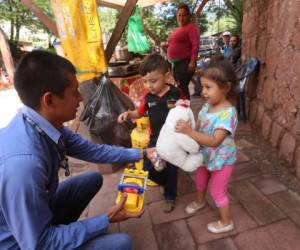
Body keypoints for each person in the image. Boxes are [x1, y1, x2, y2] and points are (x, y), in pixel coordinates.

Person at [0, 50, 152, 250]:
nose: (81, 98)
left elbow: (94, 151)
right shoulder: (24, 167)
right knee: (121, 244)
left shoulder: (43, 123)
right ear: (50, 100)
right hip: (22, 243)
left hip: (33, 218)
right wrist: (106, 219)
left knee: (91, 179)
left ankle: (60, 230)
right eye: (74, 92)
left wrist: (141, 153)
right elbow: (39, 244)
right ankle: (61, 233)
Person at [175, 60, 238, 234]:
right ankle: (200, 202)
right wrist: (188, 128)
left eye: (208, 87)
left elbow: (215, 141)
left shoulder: (228, 113)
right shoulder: (207, 106)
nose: (203, 92)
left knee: (217, 191)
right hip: (205, 156)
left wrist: (190, 132)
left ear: (225, 88)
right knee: (200, 181)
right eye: (202, 87)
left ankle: (226, 222)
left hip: (222, 160)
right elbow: (199, 128)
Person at [118, 54, 186, 213]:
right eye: (145, 81)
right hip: (155, 140)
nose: (149, 85)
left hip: (174, 139)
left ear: (166, 75)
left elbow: (186, 109)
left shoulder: (176, 93)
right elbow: (139, 113)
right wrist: (129, 114)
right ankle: (162, 181)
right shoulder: (147, 98)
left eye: (153, 81)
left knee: (171, 169)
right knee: (149, 168)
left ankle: (170, 196)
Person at [161, 3, 200, 99]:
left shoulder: (191, 28)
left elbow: (196, 45)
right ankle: (181, 108)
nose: (181, 17)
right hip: (174, 64)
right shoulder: (177, 30)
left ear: (188, 16)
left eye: (184, 15)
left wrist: (192, 61)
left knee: (182, 88)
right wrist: (166, 44)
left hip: (184, 63)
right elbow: (174, 43)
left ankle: (185, 109)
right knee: (178, 87)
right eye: (179, 15)